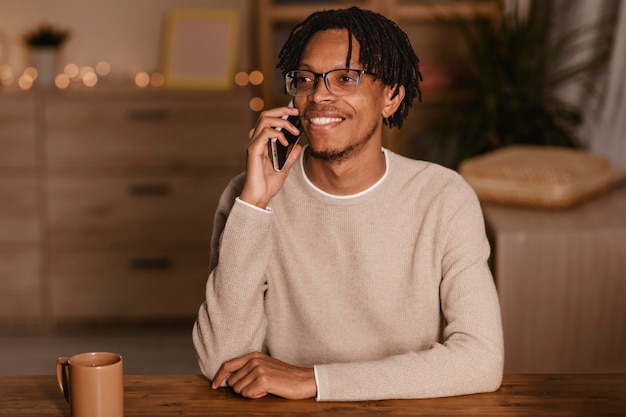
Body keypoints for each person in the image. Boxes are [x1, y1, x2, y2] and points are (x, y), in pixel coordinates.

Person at [193, 6, 504, 402]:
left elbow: (480, 360)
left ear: (390, 96)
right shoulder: (248, 196)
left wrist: (316, 381)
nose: (319, 94)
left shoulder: (445, 196)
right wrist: (255, 204)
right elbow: (222, 362)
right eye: (305, 79)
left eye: (345, 78)